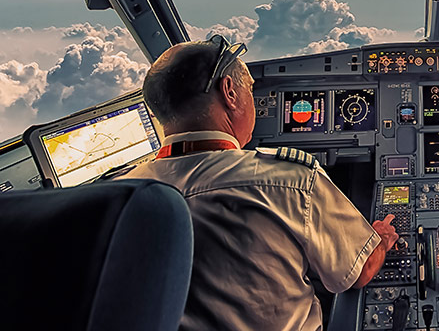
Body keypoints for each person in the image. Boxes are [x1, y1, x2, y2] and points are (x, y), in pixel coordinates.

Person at [121, 35, 398, 331]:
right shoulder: (291, 181)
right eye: (250, 90)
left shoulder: (117, 197)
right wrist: (379, 238)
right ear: (229, 92)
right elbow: (359, 272)